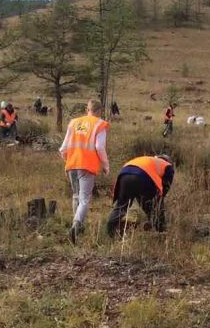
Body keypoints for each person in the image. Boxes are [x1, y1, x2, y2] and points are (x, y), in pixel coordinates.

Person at [59, 100, 110, 244]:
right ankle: (76, 226)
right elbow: (99, 147)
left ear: (87, 109)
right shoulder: (100, 124)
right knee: (84, 199)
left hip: (71, 164)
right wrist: (106, 165)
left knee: (76, 196)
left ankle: (77, 227)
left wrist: (67, 163)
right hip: (87, 166)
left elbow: (63, 148)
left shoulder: (73, 122)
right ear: (100, 110)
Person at [107, 155, 174, 235]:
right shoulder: (167, 166)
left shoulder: (147, 159)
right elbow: (164, 190)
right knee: (156, 205)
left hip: (124, 174)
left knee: (121, 206)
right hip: (143, 176)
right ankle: (161, 232)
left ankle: (111, 231)